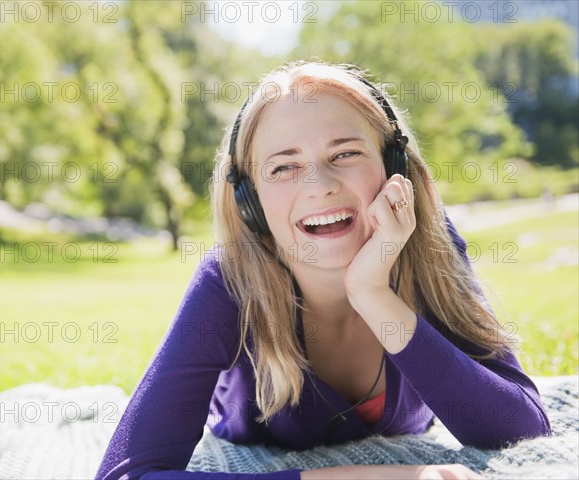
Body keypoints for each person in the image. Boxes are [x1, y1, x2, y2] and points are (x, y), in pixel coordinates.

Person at [95, 61, 551, 480]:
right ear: (249, 201)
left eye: (345, 154)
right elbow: (127, 475)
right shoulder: (228, 282)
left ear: (394, 168)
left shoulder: (431, 249)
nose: (320, 187)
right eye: (284, 166)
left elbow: (523, 428)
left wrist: (373, 292)